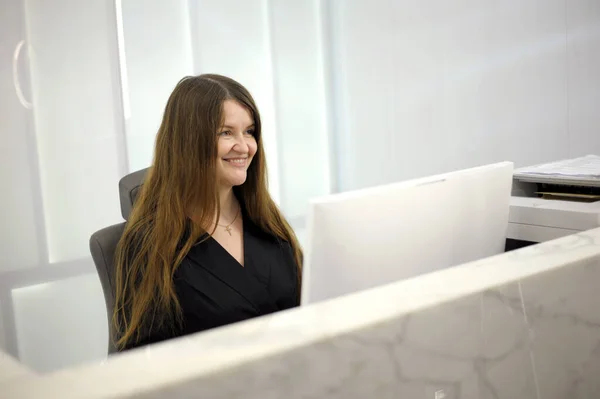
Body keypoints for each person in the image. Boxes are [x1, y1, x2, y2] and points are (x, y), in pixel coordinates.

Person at [112, 74, 302, 351]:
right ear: (189, 142)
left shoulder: (266, 220)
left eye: (249, 131)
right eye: (226, 132)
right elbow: (147, 361)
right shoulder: (150, 243)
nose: (245, 146)